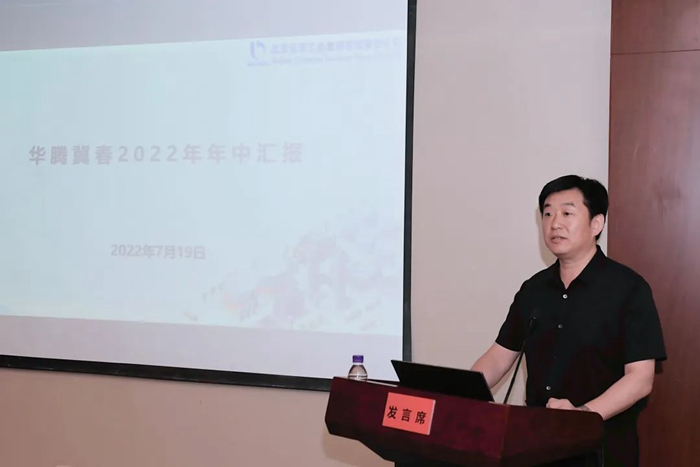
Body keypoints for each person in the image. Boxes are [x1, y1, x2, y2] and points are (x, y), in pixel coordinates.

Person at [471, 175, 666, 467]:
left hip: (602, 448)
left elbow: (640, 379)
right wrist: (457, 396)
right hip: (537, 445)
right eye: (547, 214)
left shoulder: (629, 289)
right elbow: (499, 357)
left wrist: (582, 415)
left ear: (596, 224)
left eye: (567, 213)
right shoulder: (533, 290)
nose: (554, 223)